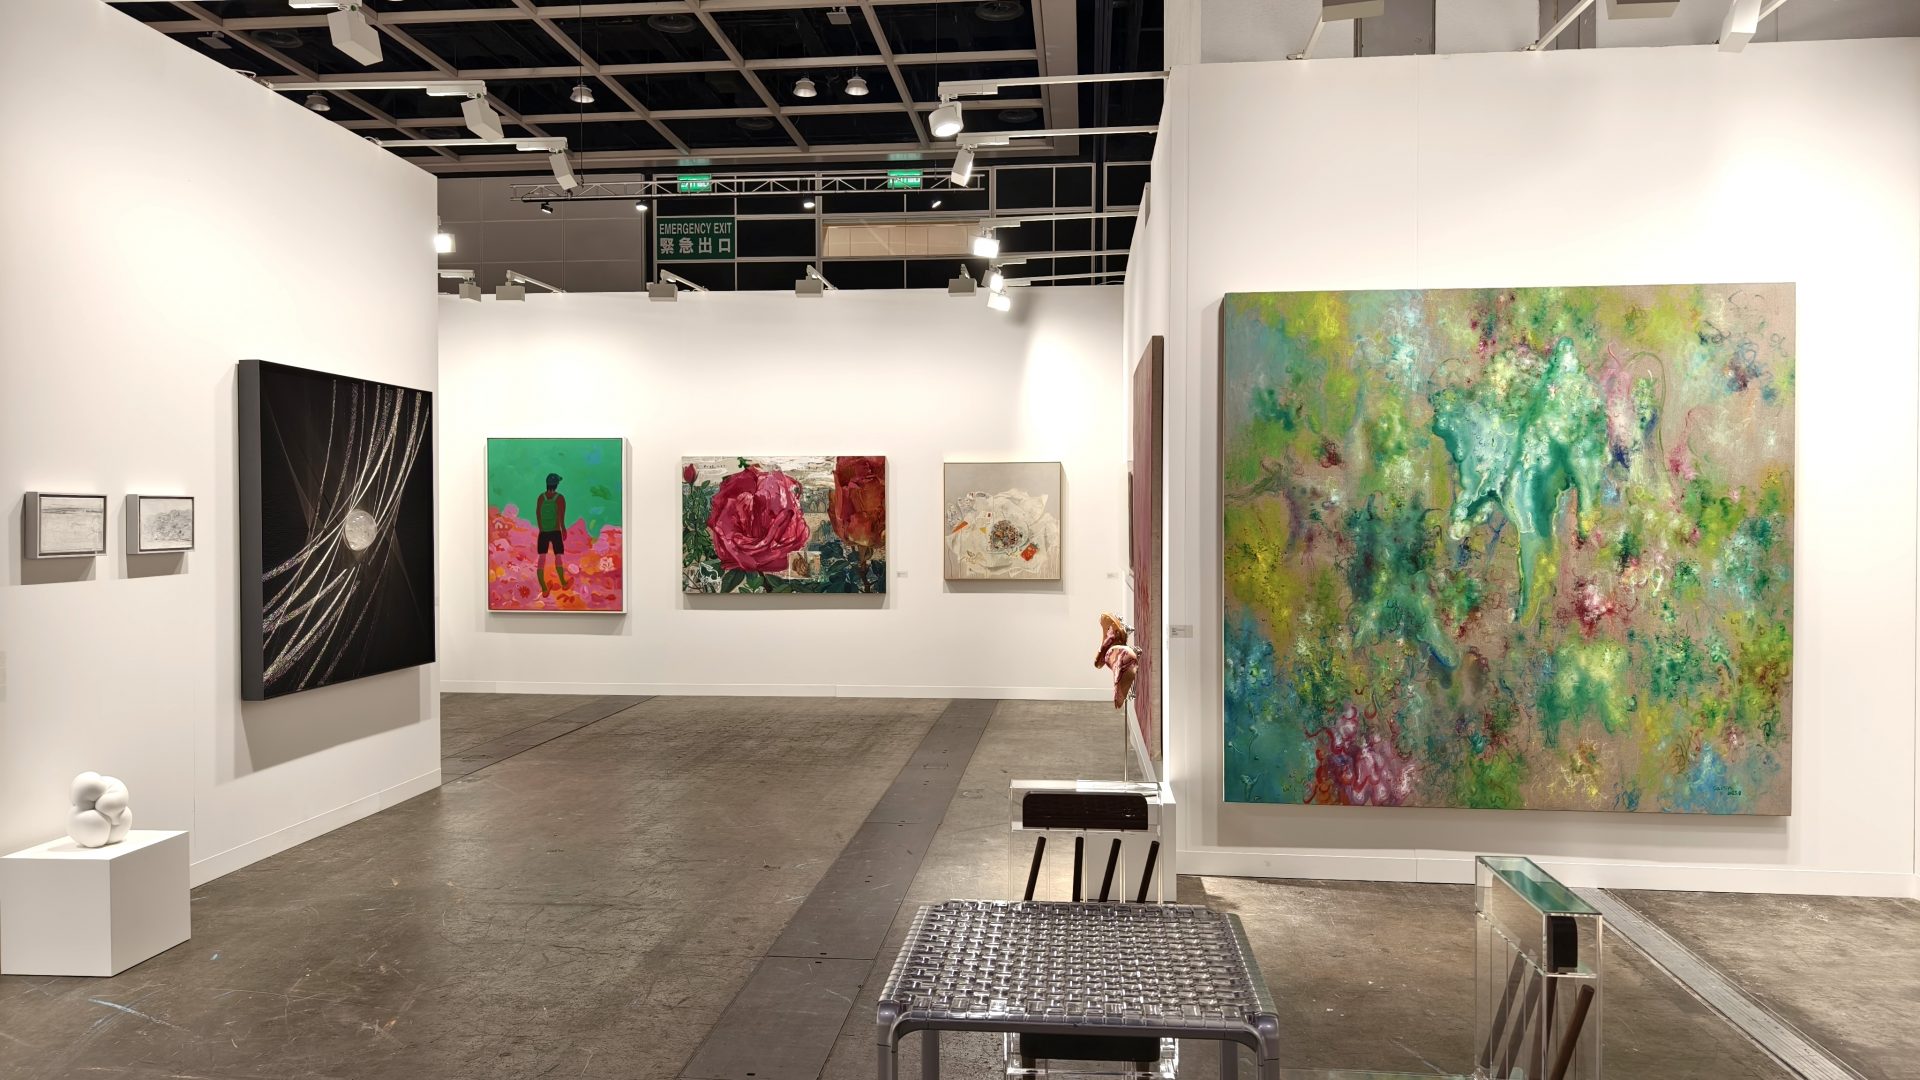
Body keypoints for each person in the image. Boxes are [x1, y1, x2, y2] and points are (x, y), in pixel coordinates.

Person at [534, 472, 568, 594]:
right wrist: (563, 529)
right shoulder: (560, 498)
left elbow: (538, 514)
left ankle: (544, 588)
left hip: (543, 531)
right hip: (555, 530)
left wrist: (541, 529)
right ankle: (563, 583)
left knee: (542, 557)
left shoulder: (541, 497)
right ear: (556, 484)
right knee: (558, 556)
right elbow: (561, 516)